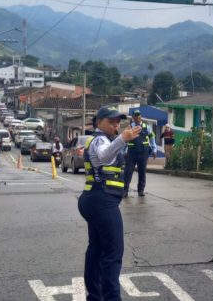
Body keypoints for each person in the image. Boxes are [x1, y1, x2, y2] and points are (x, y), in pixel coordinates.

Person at [77, 106, 141, 301]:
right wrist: (123, 139)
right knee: (113, 254)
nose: (116, 124)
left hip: (96, 200)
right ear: (98, 122)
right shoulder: (99, 140)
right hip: (101, 201)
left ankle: (95, 297)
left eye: (118, 121)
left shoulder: (107, 140)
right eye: (111, 121)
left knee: (96, 250)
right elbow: (104, 155)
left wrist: (122, 141)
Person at [123, 110, 157, 197]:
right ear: (133, 118)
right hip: (132, 152)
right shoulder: (129, 127)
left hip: (143, 152)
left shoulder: (147, 126)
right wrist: (124, 151)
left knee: (142, 172)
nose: (137, 118)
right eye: (136, 116)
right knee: (128, 172)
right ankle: (125, 191)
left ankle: (141, 190)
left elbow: (152, 136)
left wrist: (154, 149)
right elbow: (124, 140)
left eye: (139, 116)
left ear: (141, 117)